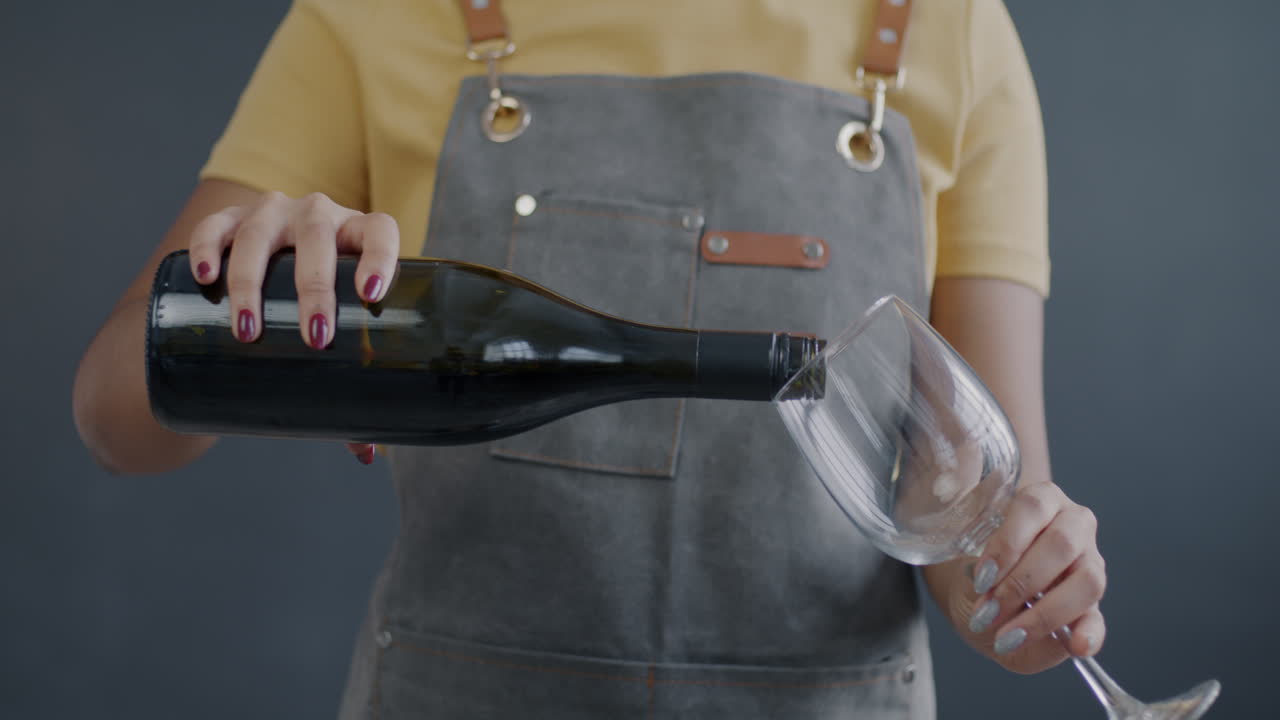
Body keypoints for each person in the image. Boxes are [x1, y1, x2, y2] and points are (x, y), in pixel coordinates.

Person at [72, 0, 1107, 717]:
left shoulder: (948, 30)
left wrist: (1026, 584)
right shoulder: (380, 17)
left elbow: (975, 522)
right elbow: (111, 415)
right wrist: (244, 284)